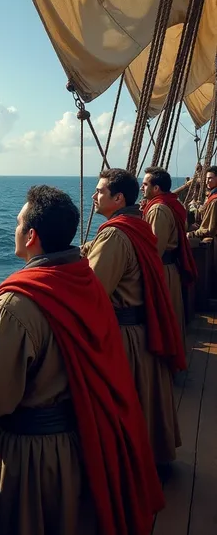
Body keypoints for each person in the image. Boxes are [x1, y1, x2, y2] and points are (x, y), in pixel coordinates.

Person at [0, 185, 163, 535]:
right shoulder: (84, 280)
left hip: (33, 462)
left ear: (32, 236)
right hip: (82, 441)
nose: (14, 229)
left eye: (18, 223)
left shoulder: (20, 305)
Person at [82, 169, 185, 467]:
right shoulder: (135, 224)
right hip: (141, 329)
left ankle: (129, 466)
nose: (93, 195)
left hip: (124, 335)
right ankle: (151, 457)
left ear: (118, 198)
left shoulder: (114, 233)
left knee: (124, 403)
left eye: (99, 191)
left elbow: (96, 292)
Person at [141, 166, 197, 348]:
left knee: (164, 316)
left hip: (162, 271)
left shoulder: (158, 210)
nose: (142, 188)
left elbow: (155, 248)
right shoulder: (173, 204)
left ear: (156, 188)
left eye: (145, 184)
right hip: (170, 269)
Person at [187, 165, 217, 242]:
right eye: (206, 178)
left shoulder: (214, 201)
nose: (207, 181)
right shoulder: (211, 197)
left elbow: (209, 229)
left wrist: (192, 234)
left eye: (210, 178)